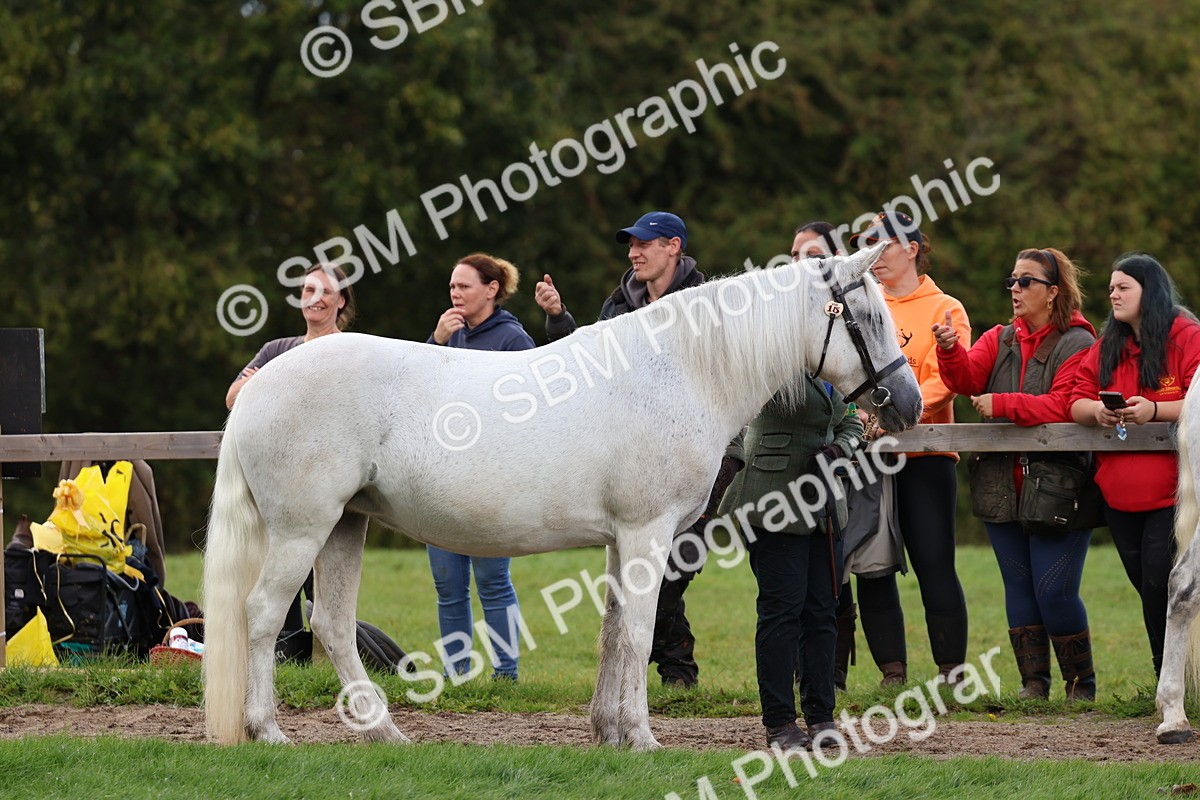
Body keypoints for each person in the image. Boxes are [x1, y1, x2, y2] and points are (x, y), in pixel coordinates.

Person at [534, 211, 744, 688]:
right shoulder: (619, 304)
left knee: (671, 569)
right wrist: (558, 318)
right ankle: (678, 672)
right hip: (635, 465)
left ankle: (670, 666)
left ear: (674, 246)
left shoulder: (708, 305)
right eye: (630, 244)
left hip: (702, 459)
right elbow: (591, 369)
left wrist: (726, 457)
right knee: (648, 570)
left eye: (644, 243)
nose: (633, 252)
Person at [934, 248, 1098, 700]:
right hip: (1002, 485)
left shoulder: (1080, 342)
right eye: (1012, 280)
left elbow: (1065, 405)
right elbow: (965, 380)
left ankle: (1081, 686)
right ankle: (1034, 685)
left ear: (1053, 291)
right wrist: (949, 351)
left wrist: (1003, 404)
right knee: (1020, 590)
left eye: (1026, 281)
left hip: (1059, 488)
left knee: (1055, 591)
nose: (1015, 289)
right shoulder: (999, 337)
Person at [848, 210, 971, 685]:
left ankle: (950, 673)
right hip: (870, 458)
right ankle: (891, 673)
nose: (872, 257)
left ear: (912, 248)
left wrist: (893, 416)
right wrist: (859, 415)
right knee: (872, 565)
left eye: (881, 245)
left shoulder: (946, 308)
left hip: (926, 456)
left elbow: (945, 381)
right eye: (865, 246)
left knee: (934, 562)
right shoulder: (862, 302)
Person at [1070, 252, 1200, 679]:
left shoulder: (1185, 334)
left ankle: (1170, 679)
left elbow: (1196, 402)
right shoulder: (1110, 343)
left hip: (1172, 493)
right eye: (1111, 287)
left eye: (1123, 286)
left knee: (1161, 584)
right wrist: (1097, 412)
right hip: (1118, 494)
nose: (1113, 294)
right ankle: (1170, 678)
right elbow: (1076, 399)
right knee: (1146, 586)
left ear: (1151, 290)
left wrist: (1155, 410)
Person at [790, 221, 905, 692]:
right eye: (794, 253)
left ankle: (890, 669)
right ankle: (823, 675)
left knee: (864, 566)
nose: (800, 262)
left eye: (812, 254)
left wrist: (850, 436)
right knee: (809, 578)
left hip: (851, 463)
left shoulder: (846, 312)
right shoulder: (780, 325)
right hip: (796, 471)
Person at [726, 372, 864, 748]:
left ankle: (821, 716)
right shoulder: (774, 359)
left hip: (823, 504)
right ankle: (780, 723)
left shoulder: (834, 370)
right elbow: (737, 409)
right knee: (781, 612)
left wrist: (838, 451)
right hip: (773, 496)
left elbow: (852, 420)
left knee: (822, 611)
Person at [226, 262, 356, 632]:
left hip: (334, 475)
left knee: (327, 563)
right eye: (308, 291)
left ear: (340, 301)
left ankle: (323, 645)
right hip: (284, 476)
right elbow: (234, 398)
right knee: (284, 562)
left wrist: (265, 385)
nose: (315, 299)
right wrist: (262, 381)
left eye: (325, 292)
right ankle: (288, 649)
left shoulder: (352, 352)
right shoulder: (276, 349)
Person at [427, 252, 535, 680]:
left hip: (491, 481)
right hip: (440, 480)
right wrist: (435, 342)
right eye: (452, 286)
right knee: (448, 585)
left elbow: (532, 409)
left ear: (491, 289)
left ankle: (506, 675)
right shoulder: (448, 335)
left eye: (464, 286)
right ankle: (457, 676)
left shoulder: (513, 340)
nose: (455, 293)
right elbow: (417, 396)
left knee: (493, 581)